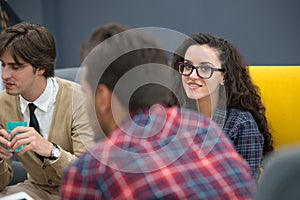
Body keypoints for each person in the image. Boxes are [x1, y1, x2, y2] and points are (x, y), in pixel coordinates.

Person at [60, 25, 256, 199]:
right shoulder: (205, 128)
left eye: (85, 93)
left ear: (103, 98)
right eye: (187, 67)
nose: (193, 75)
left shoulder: (88, 171)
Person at [0, 22, 95, 199]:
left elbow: (87, 175)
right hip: (35, 190)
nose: (5, 75)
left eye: (15, 67)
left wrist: (52, 151)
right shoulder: (2, 103)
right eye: (3, 64)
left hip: (76, 191)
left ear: (41, 68)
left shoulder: (78, 99)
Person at [171, 33, 273, 180]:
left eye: (205, 69)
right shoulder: (171, 118)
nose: (192, 75)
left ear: (223, 77)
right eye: (187, 66)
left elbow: (248, 188)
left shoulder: (240, 124)